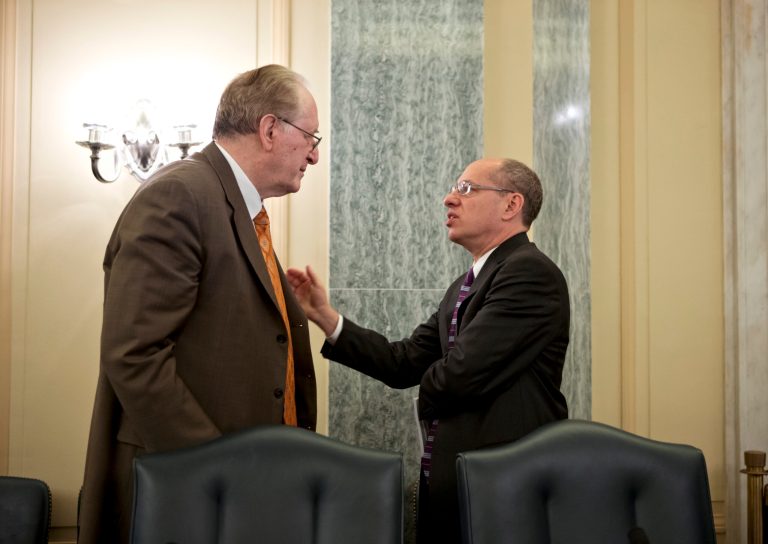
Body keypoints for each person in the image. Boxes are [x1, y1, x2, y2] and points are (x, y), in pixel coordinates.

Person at [78, 64, 320, 544]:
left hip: (243, 487)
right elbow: (135, 353)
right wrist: (215, 469)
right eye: (311, 138)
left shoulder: (232, 204)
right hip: (184, 492)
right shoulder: (179, 194)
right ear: (270, 129)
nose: (314, 156)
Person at [287, 157, 570, 543]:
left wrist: (424, 398)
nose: (448, 199)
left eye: (467, 189)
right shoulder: (464, 284)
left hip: (505, 488)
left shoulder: (529, 273)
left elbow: (460, 374)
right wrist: (325, 317)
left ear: (511, 205)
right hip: (457, 479)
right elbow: (403, 362)